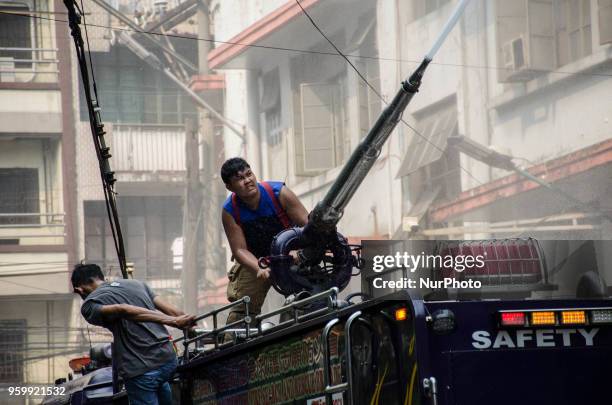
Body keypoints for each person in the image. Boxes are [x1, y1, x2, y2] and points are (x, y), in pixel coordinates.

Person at [71, 263, 195, 405]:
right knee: (160, 383)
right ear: (100, 277)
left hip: (141, 369)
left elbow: (123, 309)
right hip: (168, 360)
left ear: (79, 289)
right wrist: (187, 325)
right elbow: (173, 311)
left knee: (150, 382)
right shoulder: (136, 284)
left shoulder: (90, 304)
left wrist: (173, 321)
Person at [221, 157, 308, 325]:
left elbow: (308, 227)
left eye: (249, 174)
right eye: (239, 179)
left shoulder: (279, 193)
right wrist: (257, 268)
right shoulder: (229, 211)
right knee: (243, 307)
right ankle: (239, 346)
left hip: (291, 254)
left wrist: (300, 251)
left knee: (312, 294)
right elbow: (239, 250)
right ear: (230, 187)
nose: (247, 181)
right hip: (256, 259)